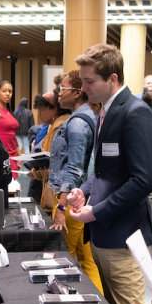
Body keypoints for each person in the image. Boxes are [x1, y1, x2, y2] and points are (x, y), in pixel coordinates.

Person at [67, 44, 152, 304]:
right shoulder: (107, 110)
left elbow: (142, 181)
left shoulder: (135, 113)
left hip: (123, 237)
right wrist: (82, 192)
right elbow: (104, 172)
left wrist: (96, 212)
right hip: (105, 233)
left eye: (89, 81)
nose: (83, 87)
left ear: (112, 78)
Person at [48, 69, 102, 291]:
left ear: (78, 92)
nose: (58, 94)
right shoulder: (88, 116)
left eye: (63, 89)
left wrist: (61, 205)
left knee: (64, 258)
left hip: (71, 199)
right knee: (86, 260)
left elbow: (74, 168)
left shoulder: (78, 122)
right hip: (83, 197)